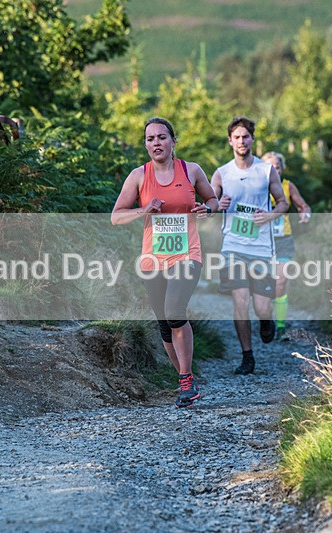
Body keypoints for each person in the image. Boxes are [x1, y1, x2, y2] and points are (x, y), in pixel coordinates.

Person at [111, 117, 219, 408]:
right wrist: (143, 210)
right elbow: (116, 215)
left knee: (174, 311)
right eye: (150, 139)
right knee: (163, 324)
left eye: (161, 137)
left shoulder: (191, 170)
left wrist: (206, 207)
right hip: (153, 259)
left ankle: (186, 380)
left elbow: (214, 200)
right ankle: (186, 380)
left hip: (187, 254)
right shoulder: (138, 176)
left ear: (173, 141)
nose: (155, 143)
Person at [211, 117, 288, 375]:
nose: (242, 141)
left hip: (261, 249)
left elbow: (283, 203)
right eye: (237, 137)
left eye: (246, 136)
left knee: (261, 307)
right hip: (232, 246)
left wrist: (269, 215)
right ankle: (247, 357)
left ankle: (267, 322)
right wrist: (218, 205)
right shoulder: (222, 173)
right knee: (240, 302)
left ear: (252, 139)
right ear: (230, 141)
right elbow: (210, 204)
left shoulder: (266, 170)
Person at [261, 151, 311, 341]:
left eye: (277, 167)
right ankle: (266, 320)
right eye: (270, 167)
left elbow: (303, 206)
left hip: (283, 240)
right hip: (261, 242)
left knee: (281, 282)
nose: (274, 170)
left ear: (281, 169)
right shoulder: (256, 187)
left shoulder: (287, 186)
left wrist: (306, 213)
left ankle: (281, 325)